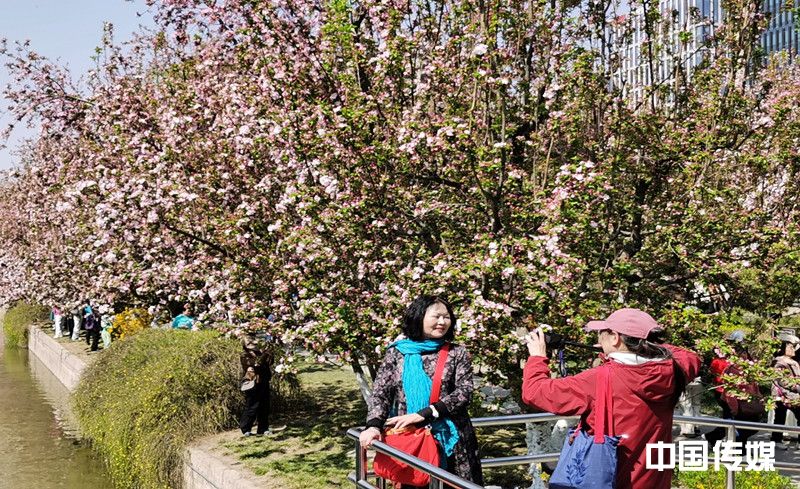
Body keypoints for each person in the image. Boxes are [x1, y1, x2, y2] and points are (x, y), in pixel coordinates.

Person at [522, 308, 701, 489]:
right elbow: (689, 356)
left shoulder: (597, 379)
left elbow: (534, 391)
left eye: (602, 333)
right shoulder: (674, 370)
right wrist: (637, 346)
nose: (599, 338)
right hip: (654, 481)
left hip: (611, 480)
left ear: (615, 337)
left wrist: (537, 357)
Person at [358, 295, 483, 487]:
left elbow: (464, 392)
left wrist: (423, 414)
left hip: (452, 442)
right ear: (418, 317)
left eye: (447, 317)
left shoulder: (456, 353)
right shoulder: (397, 353)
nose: (442, 322)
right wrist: (373, 425)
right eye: (436, 316)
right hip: (410, 441)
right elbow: (381, 393)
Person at [705, 330, 764, 446]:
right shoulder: (726, 361)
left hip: (743, 394)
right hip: (727, 394)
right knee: (734, 420)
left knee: (735, 421)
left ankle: (715, 438)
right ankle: (733, 445)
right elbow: (718, 375)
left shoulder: (746, 359)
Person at [238, 333, 279, 436]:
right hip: (253, 384)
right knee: (252, 406)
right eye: (249, 343)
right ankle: (246, 429)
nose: (252, 344)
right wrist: (265, 353)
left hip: (264, 381)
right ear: (245, 345)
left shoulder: (260, 352)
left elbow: (269, 362)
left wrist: (269, 351)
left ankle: (263, 428)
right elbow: (257, 363)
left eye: (253, 341)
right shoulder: (245, 355)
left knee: (264, 406)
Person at [771, 333, 800, 445]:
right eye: (790, 347)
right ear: (783, 348)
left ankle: (777, 439)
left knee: (780, 417)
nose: (794, 349)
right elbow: (782, 380)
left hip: (792, 394)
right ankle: (776, 440)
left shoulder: (794, 362)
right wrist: (797, 388)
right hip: (783, 394)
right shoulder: (779, 362)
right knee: (779, 417)